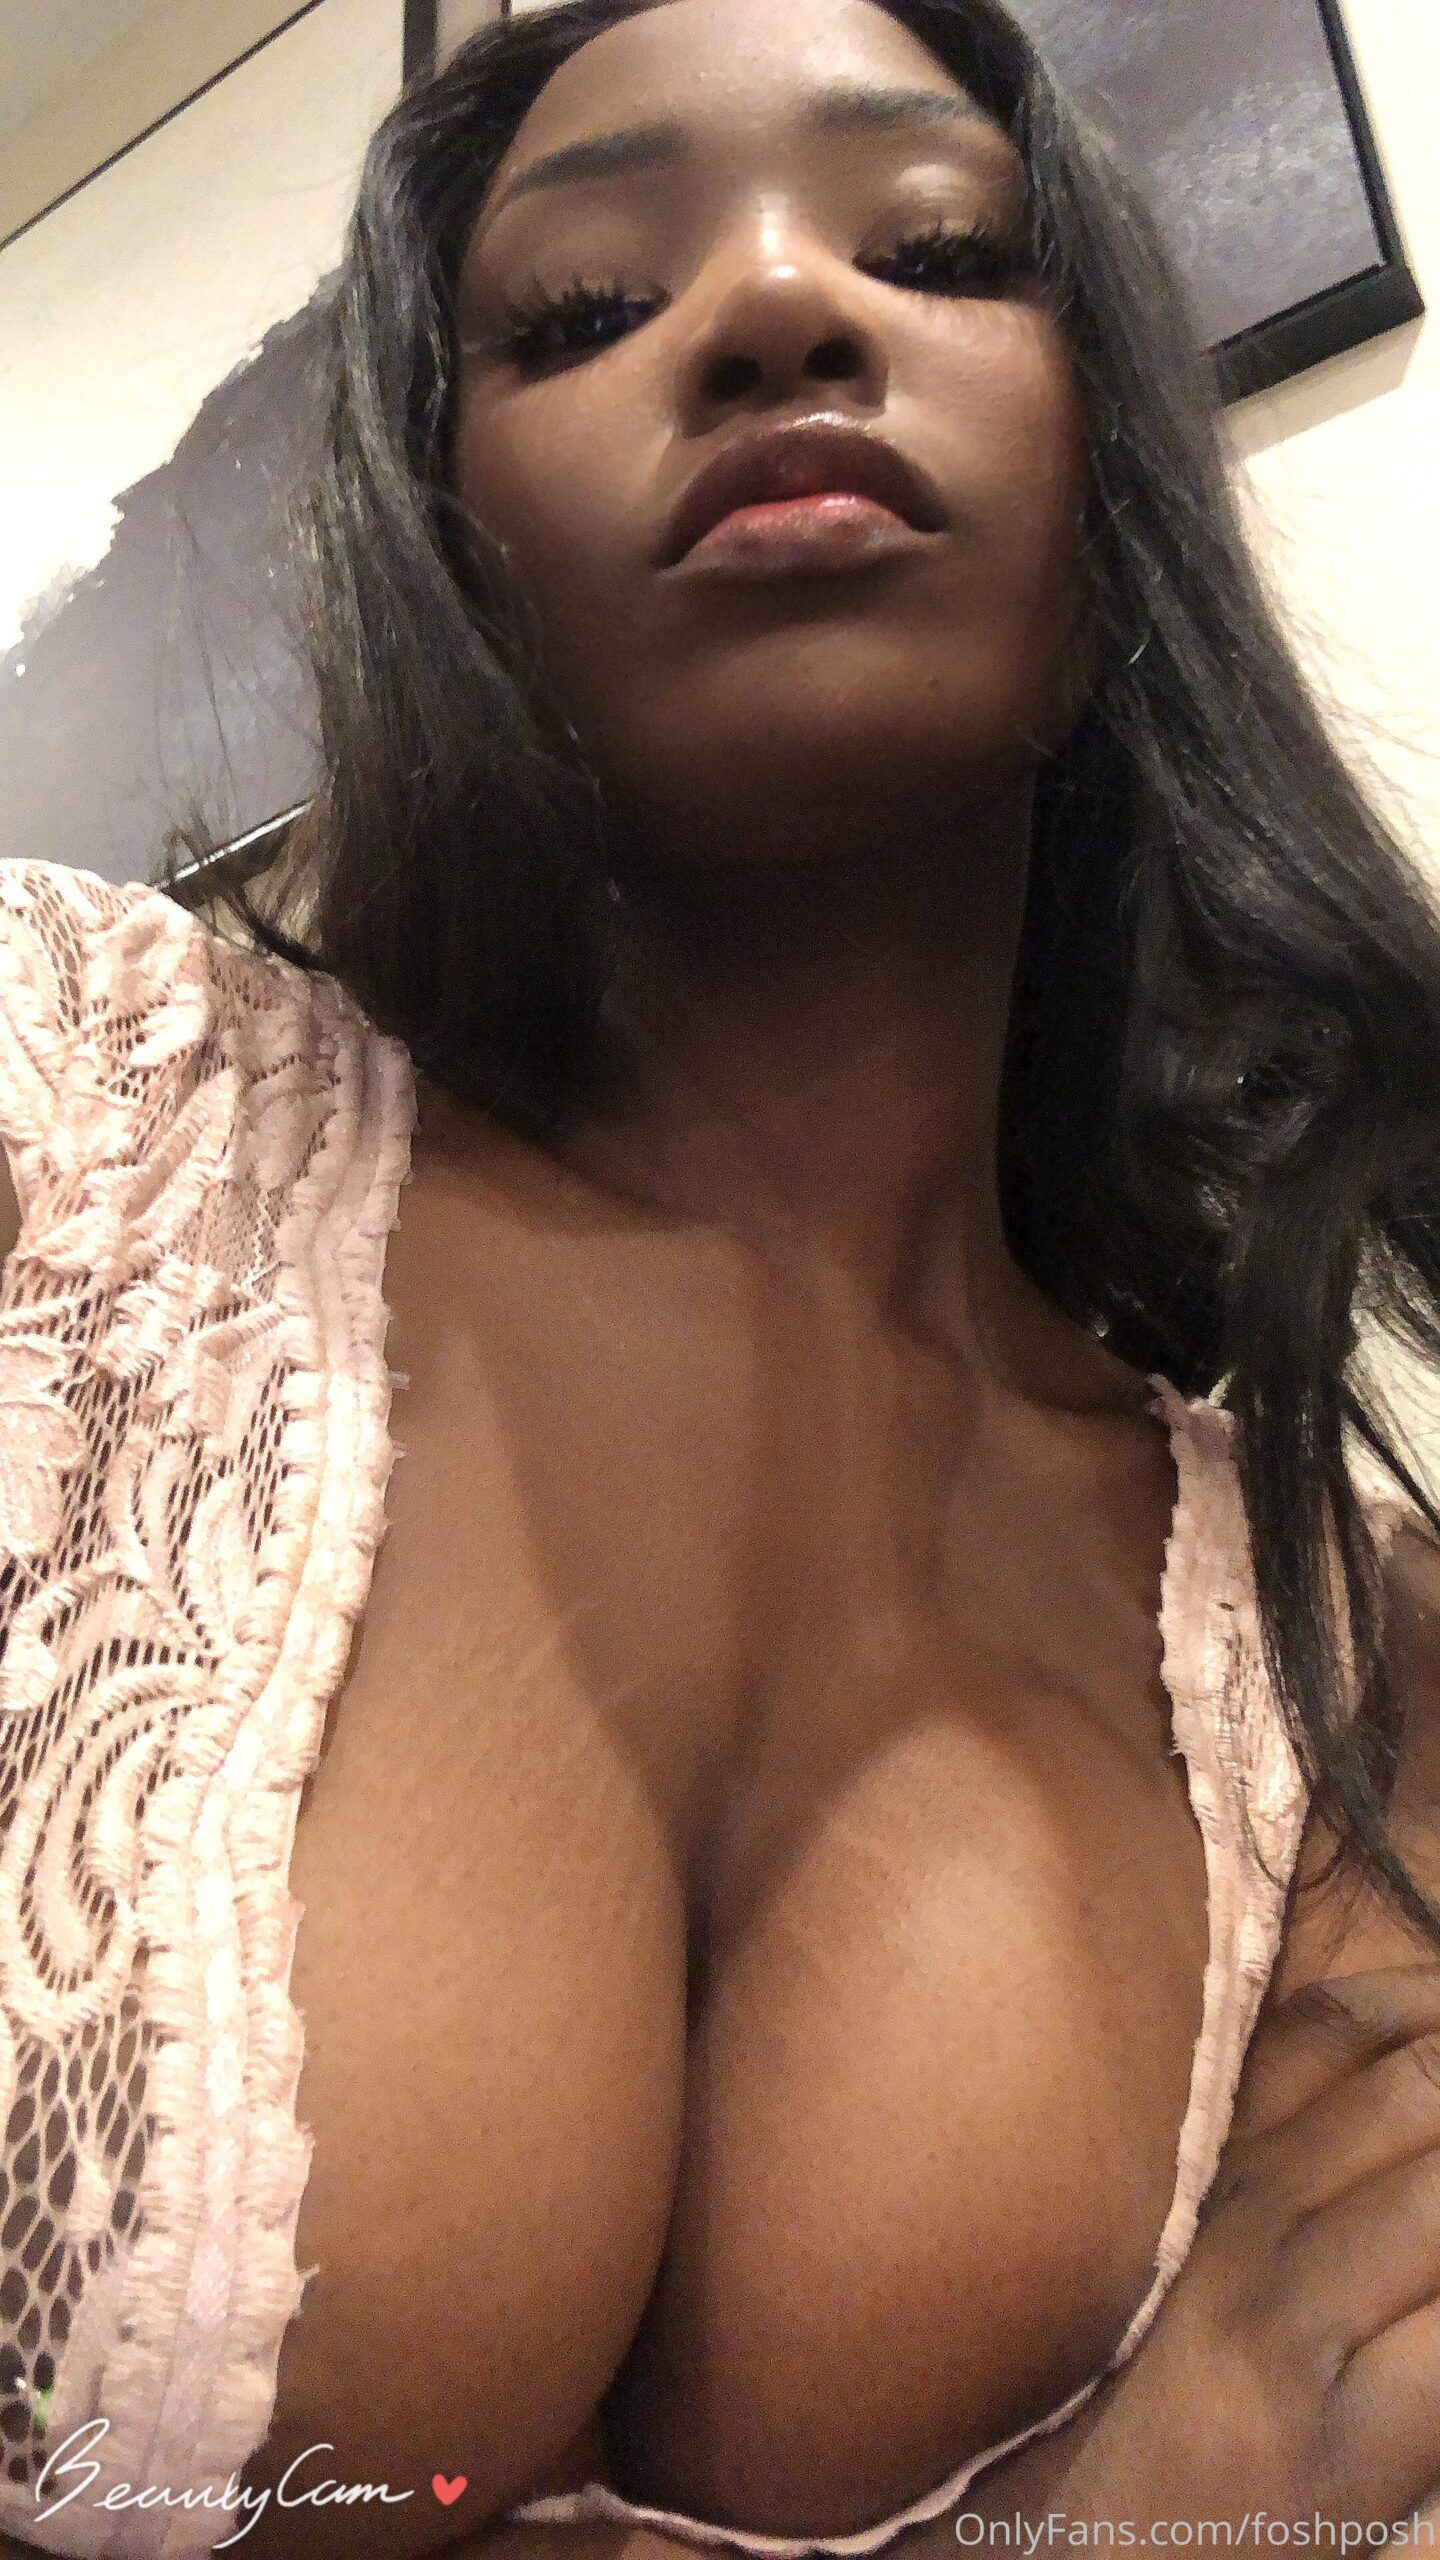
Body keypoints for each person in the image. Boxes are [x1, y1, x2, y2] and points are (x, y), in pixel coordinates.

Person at [3, 0, 1440, 2553]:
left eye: (939, 249)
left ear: (1114, 534)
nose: (779, 302)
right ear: (449, 562)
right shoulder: (65, 1115)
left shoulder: (1344, 1662)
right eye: (581, 307)